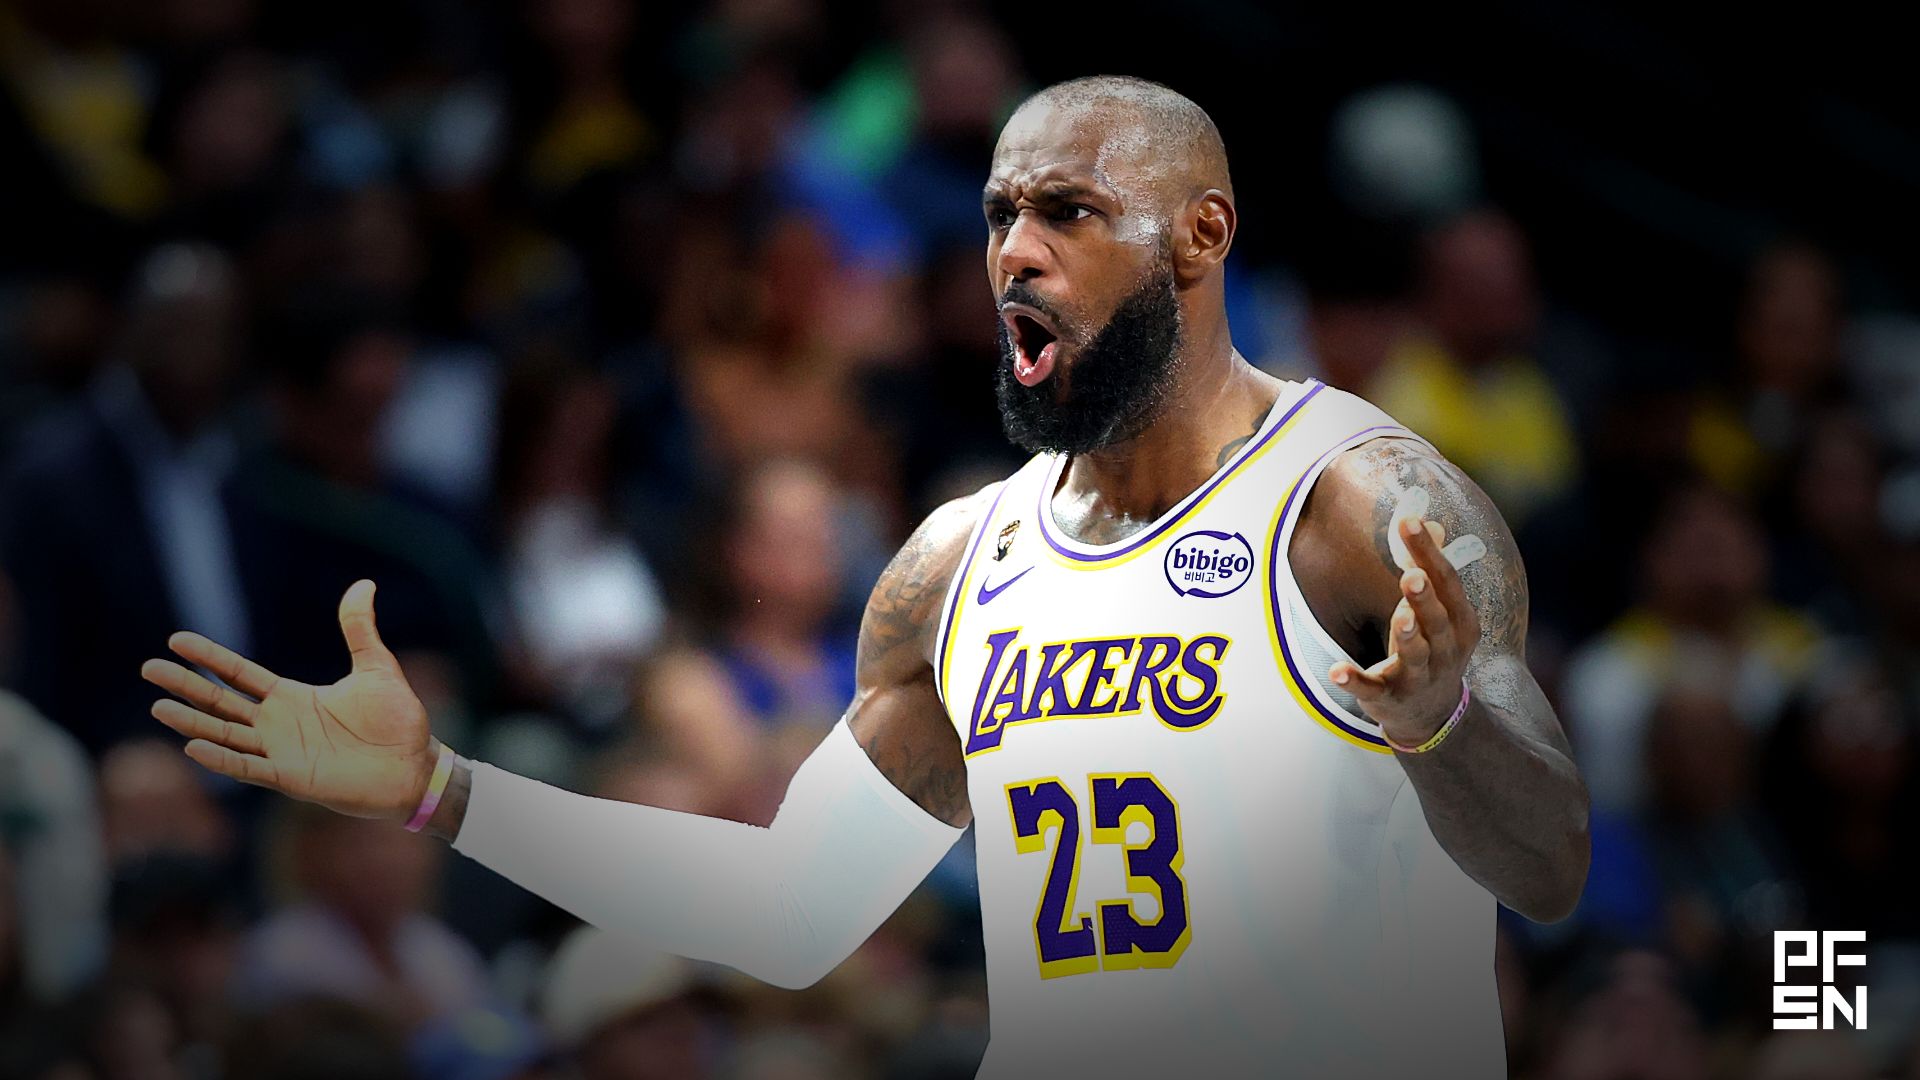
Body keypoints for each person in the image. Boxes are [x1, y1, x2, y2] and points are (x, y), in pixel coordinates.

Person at [141, 76, 1589, 1079]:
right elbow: (788, 910)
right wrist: (443, 791)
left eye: (1070, 213)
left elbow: (1549, 864)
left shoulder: (1357, 501)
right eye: (997, 214)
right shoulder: (962, 564)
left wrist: (1445, 727)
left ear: (1201, 236)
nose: (1015, 254)